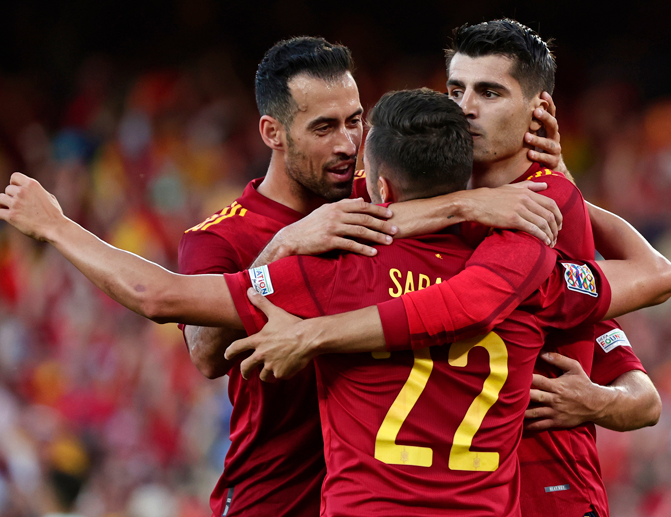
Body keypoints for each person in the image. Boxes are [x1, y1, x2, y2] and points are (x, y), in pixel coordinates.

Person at [0, 88, 671, 516]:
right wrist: (549, 185)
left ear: (375, 185)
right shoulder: (531, 273)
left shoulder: (331, 272)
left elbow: (159, 295)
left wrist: (54, 223)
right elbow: (651, 274)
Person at [234, 20, 671, 517]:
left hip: (555, 493)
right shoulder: (402, 185)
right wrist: (287, 240)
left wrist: (597, 401)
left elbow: (651, 312)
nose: (466, 107)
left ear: (539, 110)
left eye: (489, 92)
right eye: (456, 89)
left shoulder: (546, 223)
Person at [172, 36, 569, 516]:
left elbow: (615, 280)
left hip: (378, 494)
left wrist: (619, 393)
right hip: (278, 490)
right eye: (323, 127)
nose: (347, 143)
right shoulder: (221, 236)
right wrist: (281, 245)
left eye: (354, 120)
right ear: (272, 132)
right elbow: (206, 353)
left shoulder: (378, 189)